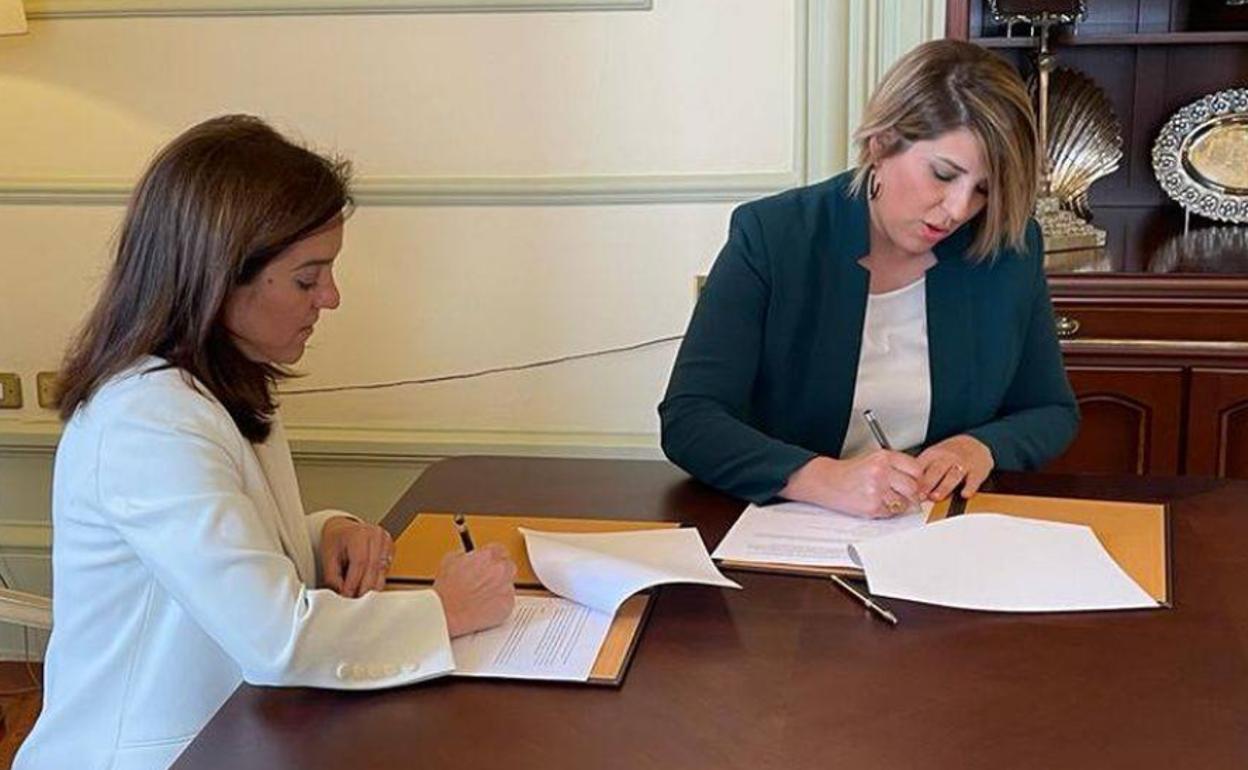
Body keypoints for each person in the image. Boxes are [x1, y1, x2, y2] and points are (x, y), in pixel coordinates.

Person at [15, 115, 518, 770]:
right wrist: (444, 611)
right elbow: (275, 638)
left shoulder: (215, 385)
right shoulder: (147, 422)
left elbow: (215, 557)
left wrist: (324, 534)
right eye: (309, 279)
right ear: (218, 277)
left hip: (231, 730)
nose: (330, 298)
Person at [659, 40, 1078, 518]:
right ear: (881, 143)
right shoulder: (774, 236)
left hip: (939, 530)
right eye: (943, 174)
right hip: (791, 531)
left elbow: (1051, 411)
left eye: (983, 189)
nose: (959, 210)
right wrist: (823, 478)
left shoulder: (1008, 248)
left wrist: (978, 447)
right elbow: (690, 419)